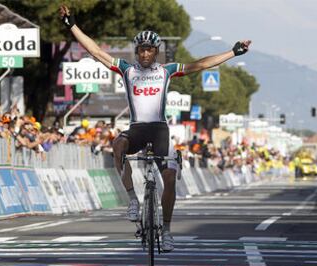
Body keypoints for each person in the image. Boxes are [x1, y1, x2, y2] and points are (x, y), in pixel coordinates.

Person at [59, 5, 251, 252]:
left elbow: (201, 65)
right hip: (137, 129)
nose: (145, 53)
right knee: (118, 144)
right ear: (137, 52)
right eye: (141, 49)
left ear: (156, 52)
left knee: (169, 178)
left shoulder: (166, 71)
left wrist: (233, 52)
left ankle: (168, 231)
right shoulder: (126, 70)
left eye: (149, 49)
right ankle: (132, 200)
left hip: (160, 130)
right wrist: (72, 25)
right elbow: (95, 51)